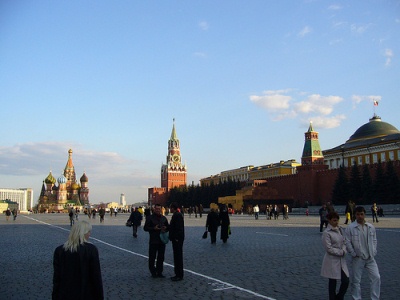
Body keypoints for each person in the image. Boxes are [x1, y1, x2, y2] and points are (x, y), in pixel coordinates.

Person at [52, 220, 103, 300]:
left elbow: (57, 278)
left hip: (65, 294)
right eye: (88, 232)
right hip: (85, 294)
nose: (89, 234)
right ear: (84, 233)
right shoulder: (91, 250)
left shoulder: (59, 250)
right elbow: (96, 277)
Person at [345, 206, 381, 300]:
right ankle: (357, 298)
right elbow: (347, 242)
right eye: (358, 214)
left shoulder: (370, 227)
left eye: (361, 214)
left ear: (364, 214)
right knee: (356, 280)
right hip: (358, 258)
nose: (360, 216)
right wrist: (353, 253)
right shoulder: (350, 228)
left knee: (376, 277)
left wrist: (374, 251)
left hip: (370, 257)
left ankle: (375, 298)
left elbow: (374, 240)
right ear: (355, 215)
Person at [321, 211, 349, 300]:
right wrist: (341, 252)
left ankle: (339, 297)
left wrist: (344, 250)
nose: (336, 222)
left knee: (345, 281)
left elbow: (345, 241)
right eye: (334, 220)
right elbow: (328, 249)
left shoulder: (340, 229)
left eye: (337, 220)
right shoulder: (327, 233)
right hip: (332, 260)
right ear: (329, 220)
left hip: (341, 260)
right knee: (332, 281)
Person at [143, 203, 169, 278]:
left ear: (161, 209)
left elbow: (168, 227)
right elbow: (145, 228)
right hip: (153, 240)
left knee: (161, 257)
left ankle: (159, 272)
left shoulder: (164, 218)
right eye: (156, 209)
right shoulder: (150, 218)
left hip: (162, 241)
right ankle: (153, 272)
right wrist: (153, 228)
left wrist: (165, 228)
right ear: (154, 209)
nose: (158, 210)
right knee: (152, 257)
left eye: (159, 209)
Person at [169, 202, 185, 281]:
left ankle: (179, 274)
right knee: (177, 256)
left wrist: (176, 238)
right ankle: (177, 273)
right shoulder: (177, 215)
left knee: (178, 257)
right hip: (176, 239)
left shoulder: (177, 215)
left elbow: (178, 228)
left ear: (173, 208)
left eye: (170, 208)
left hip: (177, 239)